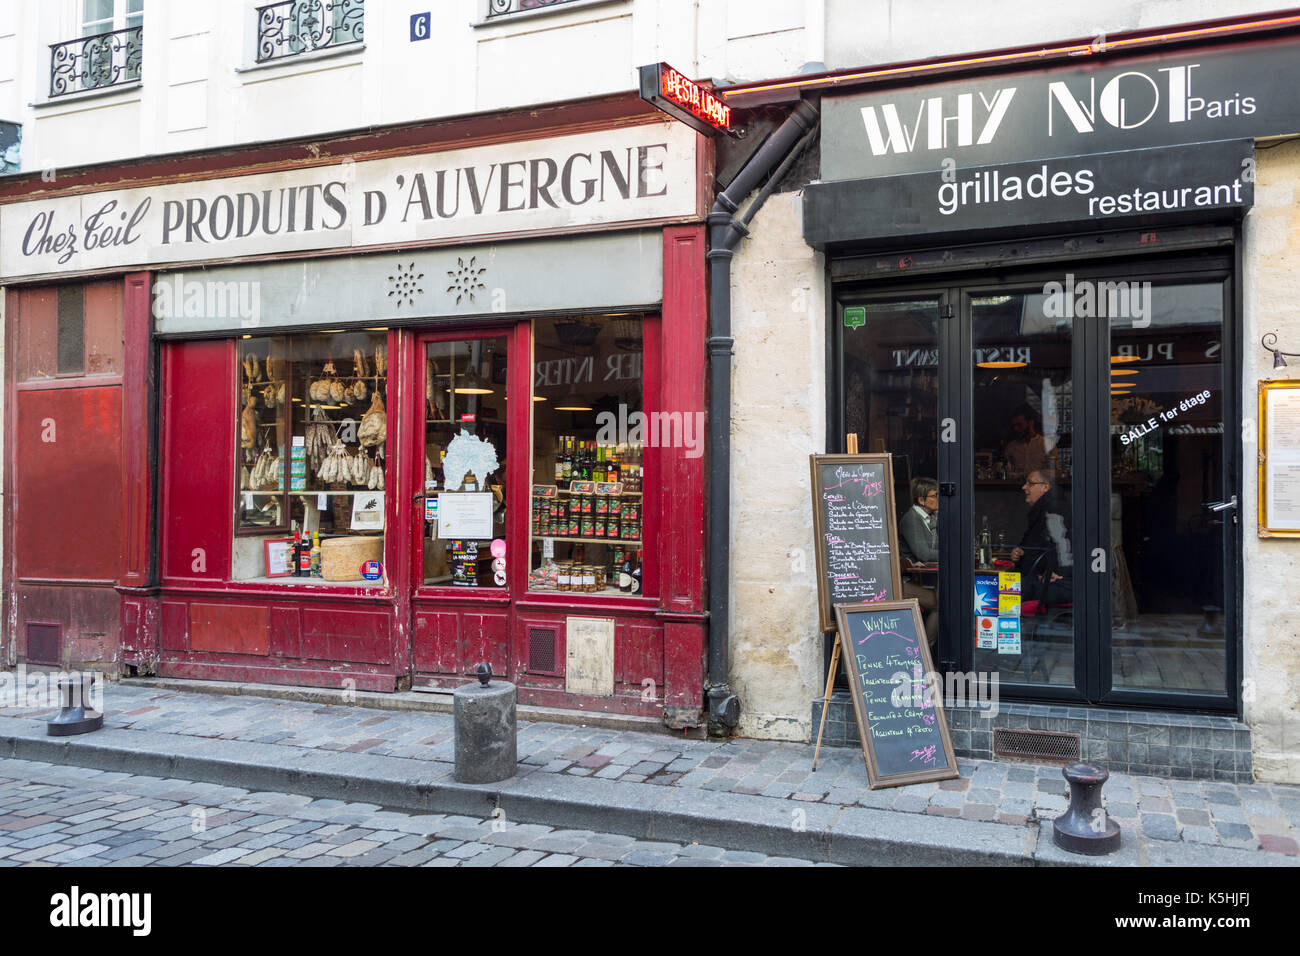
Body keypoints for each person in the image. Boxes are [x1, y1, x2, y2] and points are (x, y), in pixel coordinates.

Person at [1010, 469, 1072, 607]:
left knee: (1001, 591)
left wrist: (1058, 573)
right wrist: (1021, 551)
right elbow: (1040, 545)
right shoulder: (1043, 510)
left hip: (1059, 584)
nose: (1024, 487)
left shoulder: (1053, 511)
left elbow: (1064, 545)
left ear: (1045, 487)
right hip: (1044, 579)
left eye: (1030, 484)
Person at [898, 477, 939, 647]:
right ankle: (925, 654)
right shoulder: (912, 519)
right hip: (902, 582)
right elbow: (924, 553)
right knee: (940, 603)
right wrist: (953, 554)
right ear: (921, 500)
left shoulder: (930, 518)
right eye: (935, 495)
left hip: (921, 578)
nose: (938, 499)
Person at [1004, 404, 1056, 481]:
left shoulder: (1048, 445)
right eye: (1014, 426)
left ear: (1031, 423)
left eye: (1019, 425)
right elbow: (1007, 472)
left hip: (1040, 489)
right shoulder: (1011, 447)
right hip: (1016, 490)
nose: (1016, 428)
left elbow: (1054, 472)